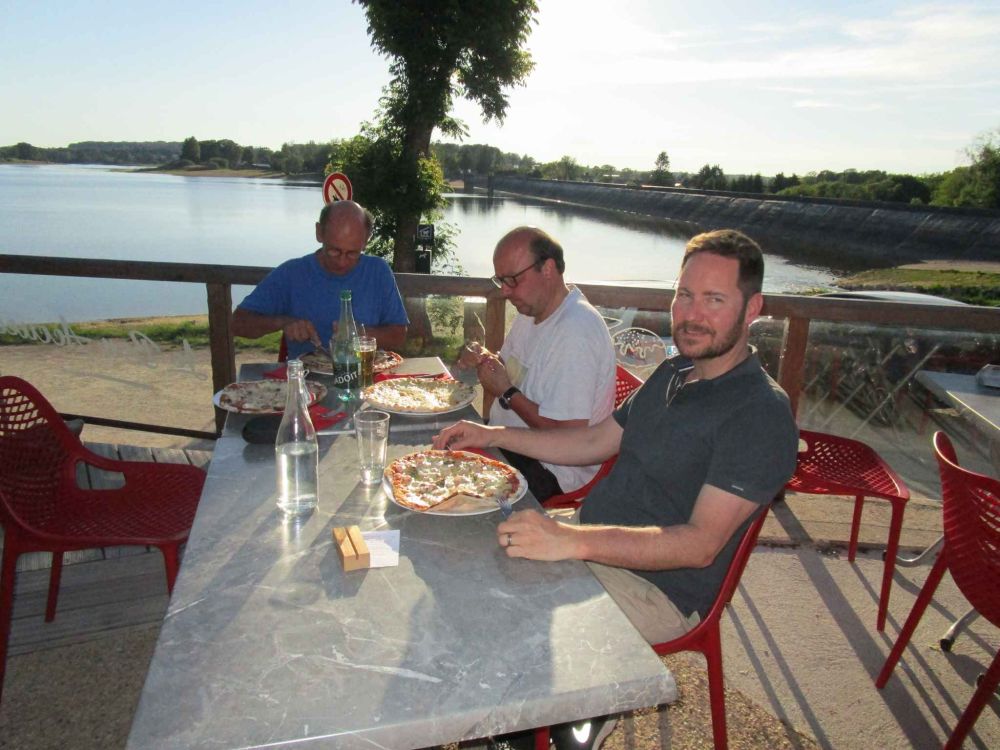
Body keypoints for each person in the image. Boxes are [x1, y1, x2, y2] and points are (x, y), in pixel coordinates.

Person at [434, 229, 799, 749]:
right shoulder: (675, 371)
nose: (691, 314)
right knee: (467, 560)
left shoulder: (759, 412)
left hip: (658, 589)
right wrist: (492, 435)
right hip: (592, 537)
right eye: (684, 295)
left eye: (714, 300)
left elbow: (698, 546)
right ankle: (505, 718)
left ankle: (557, 724)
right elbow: (594, 441)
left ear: (752, 308)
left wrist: (571, 541)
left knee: (511, 618)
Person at [458, 226, 616, 501]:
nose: (504, 292)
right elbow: (510, 369)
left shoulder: (576, 331)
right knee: (436, 447)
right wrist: (484, 359)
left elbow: (570, 439)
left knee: (451, 489)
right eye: (500, 281)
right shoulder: (531, 311)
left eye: (512, 280)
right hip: (508, 441)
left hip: (553, 469)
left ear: (548, 269)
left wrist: (507, 392)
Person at [232, 200, 408, 359]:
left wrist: (358, 333)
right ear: (319, 233)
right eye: (334, 250)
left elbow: (399, 335)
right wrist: (283, 322)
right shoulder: (292, 273)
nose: (342, 261)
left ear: (366, 241)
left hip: (365, 376)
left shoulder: (377, 271)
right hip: (307, 379)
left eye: (353, 253)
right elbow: (238, 323)